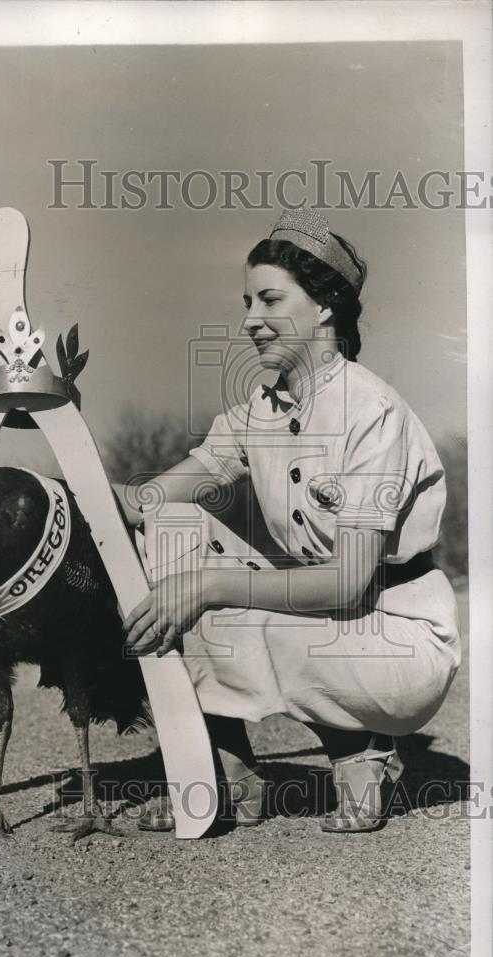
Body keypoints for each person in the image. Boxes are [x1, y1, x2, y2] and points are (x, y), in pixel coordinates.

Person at [118, 207, 462, 833]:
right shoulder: (261, 408)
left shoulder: (370, 411)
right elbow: (152, 501)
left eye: (270, 299)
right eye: (247, 301)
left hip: (394, 639)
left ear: (325, 306)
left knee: (210, 601)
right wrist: (71, 464)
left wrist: (210, 587)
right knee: (171, 533)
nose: (251, 320)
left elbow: (346, 584)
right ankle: (229, 771)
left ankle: (363, 747)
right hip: (322, 627)